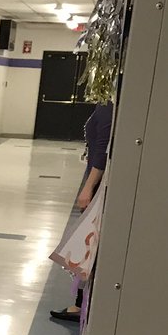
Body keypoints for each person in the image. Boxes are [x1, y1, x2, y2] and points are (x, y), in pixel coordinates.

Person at [50, 100, 114, 323]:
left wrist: (88, 187)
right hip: (96, 181)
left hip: (97, 184)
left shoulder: (109, 106)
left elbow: (102, 151)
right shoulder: (106, 104)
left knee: (88, 243)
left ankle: (81, 304)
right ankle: (80, 302)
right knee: (87, 242)